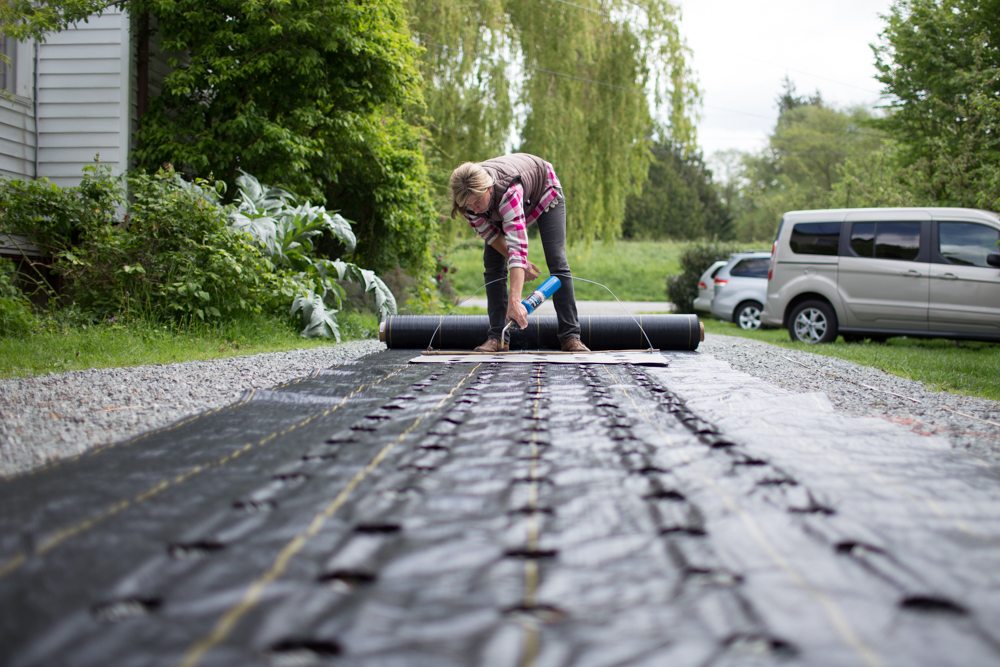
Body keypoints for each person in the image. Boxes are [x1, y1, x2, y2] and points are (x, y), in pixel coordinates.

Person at [449, 153, 589, 352]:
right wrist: (522, 265)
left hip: (544, 192)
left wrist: (515, 301)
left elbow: (517, 250)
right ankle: (497, 337)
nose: (474, 209)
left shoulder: (509, 191)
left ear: (488, 188)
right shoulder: (468, 201)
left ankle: (570, 336)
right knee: (492, 265)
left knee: (557, 261)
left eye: (477, 202)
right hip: (498, 206)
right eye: (469, 205)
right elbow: (492, 236)